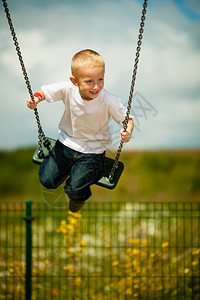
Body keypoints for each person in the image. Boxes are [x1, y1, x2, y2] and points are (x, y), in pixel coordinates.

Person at [27, 49, 134, 213]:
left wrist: (127, 131)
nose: (96, 86)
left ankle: (79, 195)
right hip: (65, 144)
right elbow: (45, 91)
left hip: (92, 152)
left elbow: (128, 119)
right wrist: (36, 98)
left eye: (100, 79)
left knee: (75, 189)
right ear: (75, 81)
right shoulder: (67, 88)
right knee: (47, 180)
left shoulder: (109, 100)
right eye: (89, 81)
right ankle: (70, 170)